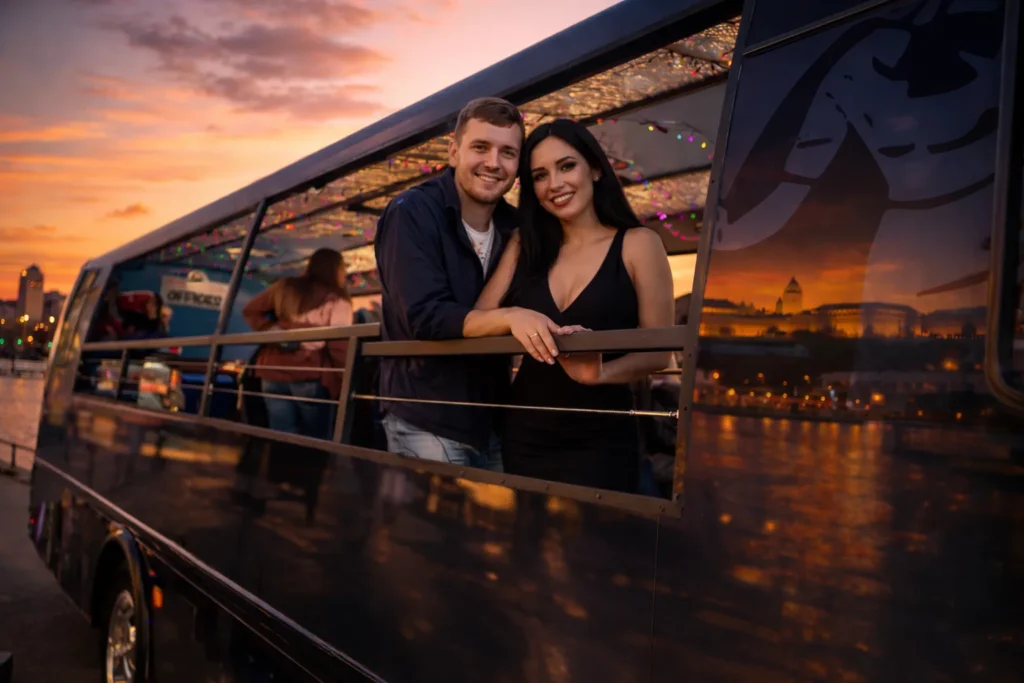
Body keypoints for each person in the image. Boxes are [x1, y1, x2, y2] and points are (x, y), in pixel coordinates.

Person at [473, 118, 674, 492]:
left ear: (595, 168)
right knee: (525, 544)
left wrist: (597, 374)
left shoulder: (639, 244)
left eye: (567, 166)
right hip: (524, 432)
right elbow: (476, 317)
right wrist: (515, 316)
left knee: (596, 547)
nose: (555, 184)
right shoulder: (524, 245)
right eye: (540, 175)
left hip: (602, 436)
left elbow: (659, 350)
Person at [375, 97, 571, 471]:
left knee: (491, 528)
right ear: (453, 152)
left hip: (492, 416)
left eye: (508, 152)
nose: (494, 163)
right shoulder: (411, 212)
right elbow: (426, 317)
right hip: (426, 413)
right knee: (435, 529)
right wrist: (511, 316)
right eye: (480, 147)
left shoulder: (516, 227)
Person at [242, 248, 353, 440]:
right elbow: (339, 345)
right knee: (315, 441)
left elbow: (250, 310)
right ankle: (306, 470)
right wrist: (344, 380)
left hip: (272, 372)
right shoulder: (337, 299)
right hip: (309, 374)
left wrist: (271, 328)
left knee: (281, 436)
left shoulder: (285, 286)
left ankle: (282, 469)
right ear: (336, 270)